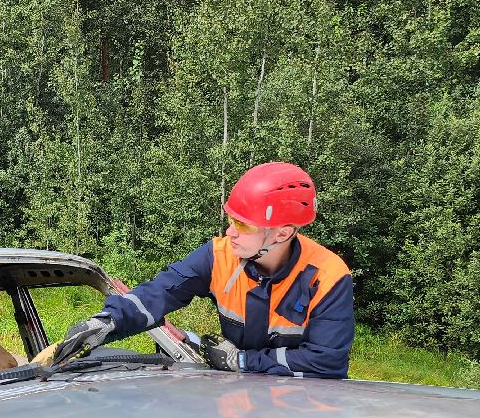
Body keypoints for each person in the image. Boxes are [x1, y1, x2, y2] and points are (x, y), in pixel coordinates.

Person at [46, 161, 354, 379]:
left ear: (282, 234)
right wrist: (107, 322)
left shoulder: (327, 276)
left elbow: (327, 362)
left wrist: (243, 362)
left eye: (243, 225)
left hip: (302, 412)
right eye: (231, 219)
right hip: (241, 400)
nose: (230, 232)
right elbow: (160, 292)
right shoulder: (220, 255)